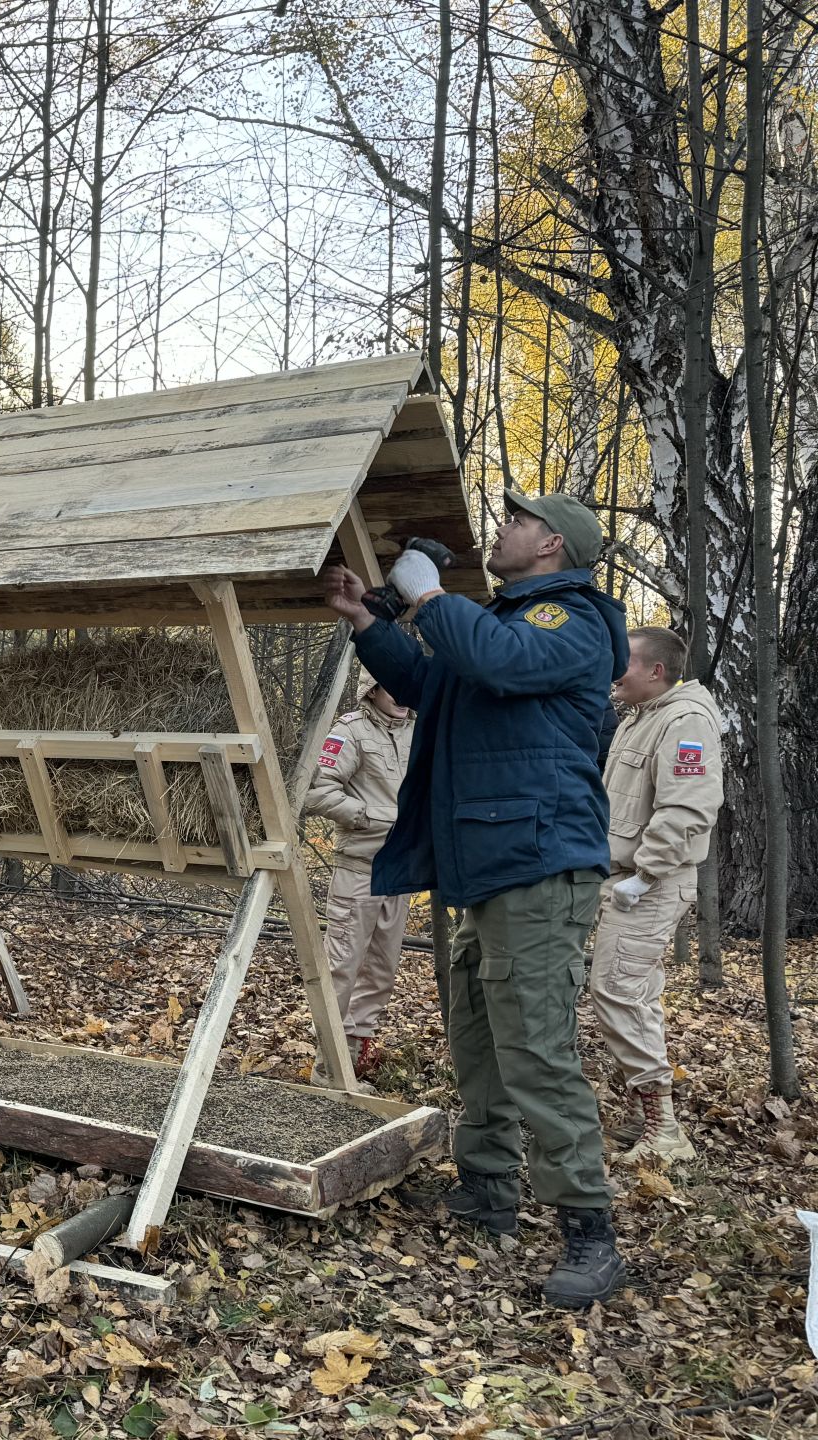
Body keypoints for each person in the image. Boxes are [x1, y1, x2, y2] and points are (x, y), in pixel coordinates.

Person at [322, 487, 631, 1309]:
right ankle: (488, 1189)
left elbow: (496, 661)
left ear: (552, 548)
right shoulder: (499, 623)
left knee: (534, 1045)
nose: (501, 528)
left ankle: (589, 1232)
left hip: (538, 865)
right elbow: (431, 682)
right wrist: (368, 621)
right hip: (485, 868)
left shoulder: (575, 621)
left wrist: (428, 594)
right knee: (479, 1039)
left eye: (517, 522)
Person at [591, 625, 723, 1165]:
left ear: (656, 671)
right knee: (635, 994)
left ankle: (664, 1131)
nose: (614, 673)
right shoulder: (642, 717)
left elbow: (687, 809)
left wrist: (643, 876)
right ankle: (652, 1117)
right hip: (626, 878)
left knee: (616, 990)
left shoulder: (685, 720)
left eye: (624, 663)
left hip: (650, 883)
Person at [304, 675, 414, 1082]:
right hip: (360, 867)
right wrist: (368, 817)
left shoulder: (419, 730)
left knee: (382, 969)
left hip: (401, 869)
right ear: (372, 690)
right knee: (342, 966)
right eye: (391, 687)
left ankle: (353, 1049)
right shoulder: (350, 731)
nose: (401, 696)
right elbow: (316, 791)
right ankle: (326, 1059)